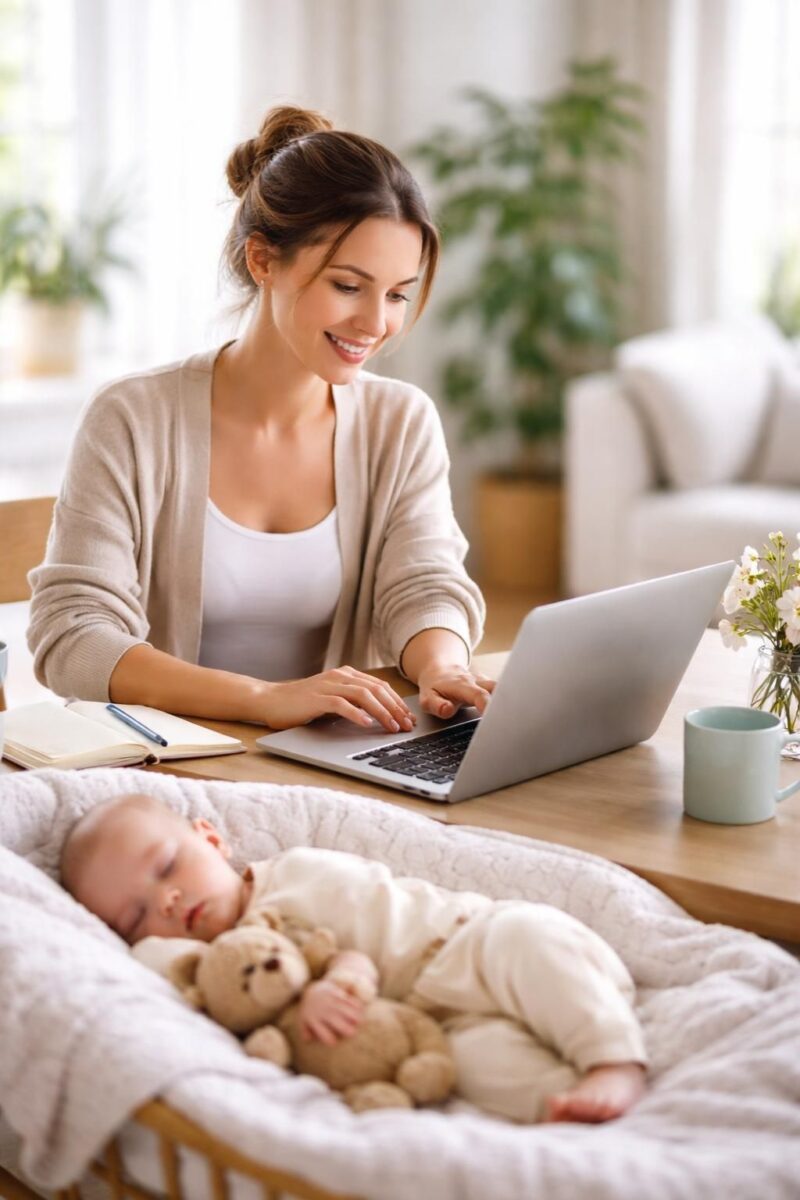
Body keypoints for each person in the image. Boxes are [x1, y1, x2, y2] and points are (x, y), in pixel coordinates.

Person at [27, 105, 492, 733]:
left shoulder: (400, 422)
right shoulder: (133, 418)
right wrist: (261, 699)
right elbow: (73, 638)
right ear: (263, 261)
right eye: (349, 286)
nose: (376, 323)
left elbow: (424, 582)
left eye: (398, 294)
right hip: (163, 771)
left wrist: (442, 667)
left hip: (331, 768)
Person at [60, 794, 649, 1126]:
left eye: (167, 867)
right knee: (475, 1068)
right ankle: (574, 1114)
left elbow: (352, 946)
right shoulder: (228, 980)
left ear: (212, 841)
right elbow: (157, 963)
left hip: (467, 944)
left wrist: (340, 978)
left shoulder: (294, 874)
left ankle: (612, 1058)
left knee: (529, 939)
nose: (166, 900)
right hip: (430, 1023)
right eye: (133, 917)